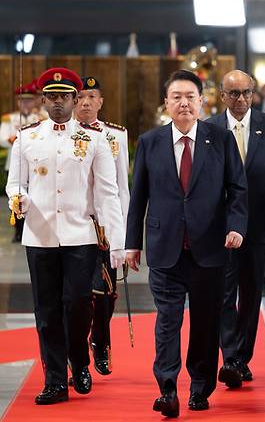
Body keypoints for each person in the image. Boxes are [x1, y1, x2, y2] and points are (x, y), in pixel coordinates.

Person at [125, 69, 248, 417]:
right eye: (176, 96)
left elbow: (238, 188)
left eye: (190, 96)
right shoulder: (149, 142)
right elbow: (139, 197)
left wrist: (236, 225)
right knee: (167, 320)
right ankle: (167, 388)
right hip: (166, 248)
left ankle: (199, 387)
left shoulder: (220, 140)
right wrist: (132, 242)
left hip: (210, 248)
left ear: (201, 101)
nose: (183, 103)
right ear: (166, 103)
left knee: (206, 322)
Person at [5, 67, 125, 405]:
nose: (58, 102)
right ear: (43, 100)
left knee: (77, 303)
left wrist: (116, 240)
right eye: (52, 96)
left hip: (80, 235)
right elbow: (15, 182)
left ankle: (80, 361)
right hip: (39, 237)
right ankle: (55, 380)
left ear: (75, 100)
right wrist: (19, 197)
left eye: (65, 96)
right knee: (46, 311)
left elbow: (107, 193)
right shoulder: (27, 137)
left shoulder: (96, 139)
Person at [207, 70, 265, 388]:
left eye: (245, 93)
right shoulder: (211, 129)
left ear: (253, 93)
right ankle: (229, 356)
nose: (240, 99)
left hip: (259, 224)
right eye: (233, 94)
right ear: (222, 95)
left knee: (252, 291)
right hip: (223, 226)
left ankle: (242, 356)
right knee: (224, 292)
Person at [74, 76, 130, 376]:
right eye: (80, 97)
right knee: (76, 294)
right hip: (74, 224)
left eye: (91, 97)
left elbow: (123, 186)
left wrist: (123, 233)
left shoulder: (115, 135)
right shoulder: (62, 135)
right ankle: (77, 351)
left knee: (105, 292)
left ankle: (101, 342)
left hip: (105, 225)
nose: (85, 102)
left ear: (100, 102)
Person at [0, 80, 44, 242]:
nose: (25, 103)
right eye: (22, 100)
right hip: (15, 161)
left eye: (28, 100)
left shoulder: (40, 117)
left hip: (35, 164)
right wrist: (13, 139)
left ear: (34, 101)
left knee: (32, 196)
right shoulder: (9, 118)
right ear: (17, 101)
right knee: (16, 196)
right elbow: (2, 139)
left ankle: (31, 227)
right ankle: (17, 230)